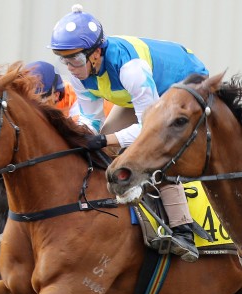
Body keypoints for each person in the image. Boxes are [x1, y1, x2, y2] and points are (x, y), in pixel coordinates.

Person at [47, 4, 208, 262]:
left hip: (182, 85)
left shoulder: (130, 69)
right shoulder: (80, 74)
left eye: (75, 59)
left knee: (152, 152)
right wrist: (86, 139)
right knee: (102, 147)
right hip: (140, 98)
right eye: (64, 60)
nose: (71, 68)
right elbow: (91, 119)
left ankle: (182, 228)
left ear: (95, 53)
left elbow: (148, 131)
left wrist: (104, 139)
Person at [25, 60, 113, 121]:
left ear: (56, 95)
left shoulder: (80, 105)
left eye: (37, 103)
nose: (32, 109)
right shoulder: (52, 94)